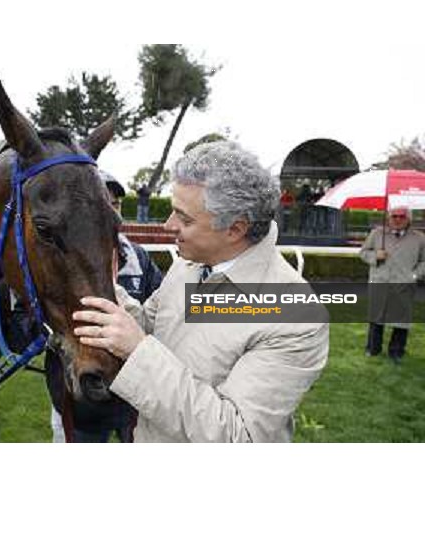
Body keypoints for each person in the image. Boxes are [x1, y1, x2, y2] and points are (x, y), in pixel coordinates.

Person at [72, 141, 329, 443]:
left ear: (235, 229)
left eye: (185, 219)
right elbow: (148, 328)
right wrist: (102, 286)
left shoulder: (296, 317)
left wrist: (138, 352)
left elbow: (237, 436)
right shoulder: (188, 266)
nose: (168, 226)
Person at [47, 169, 163, 442]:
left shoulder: (139, 258)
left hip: (136, 402)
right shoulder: (59, 259)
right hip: (79, 407)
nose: (113, 211)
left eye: (117, 204)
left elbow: (160, 316)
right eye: (104, 203)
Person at [359, 207, 425, 362]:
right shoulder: (377, 234)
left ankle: (396, 351)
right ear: (389, 218)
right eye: (394, 216)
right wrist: (376, 255)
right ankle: (373, 348)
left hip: (404, 283)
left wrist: (414, 275)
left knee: (401, 320)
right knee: (376, 317)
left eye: (401, 216)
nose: (397, 219)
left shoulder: (419, 238)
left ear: (408, 219)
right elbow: (363, 253)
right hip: (380, 281)